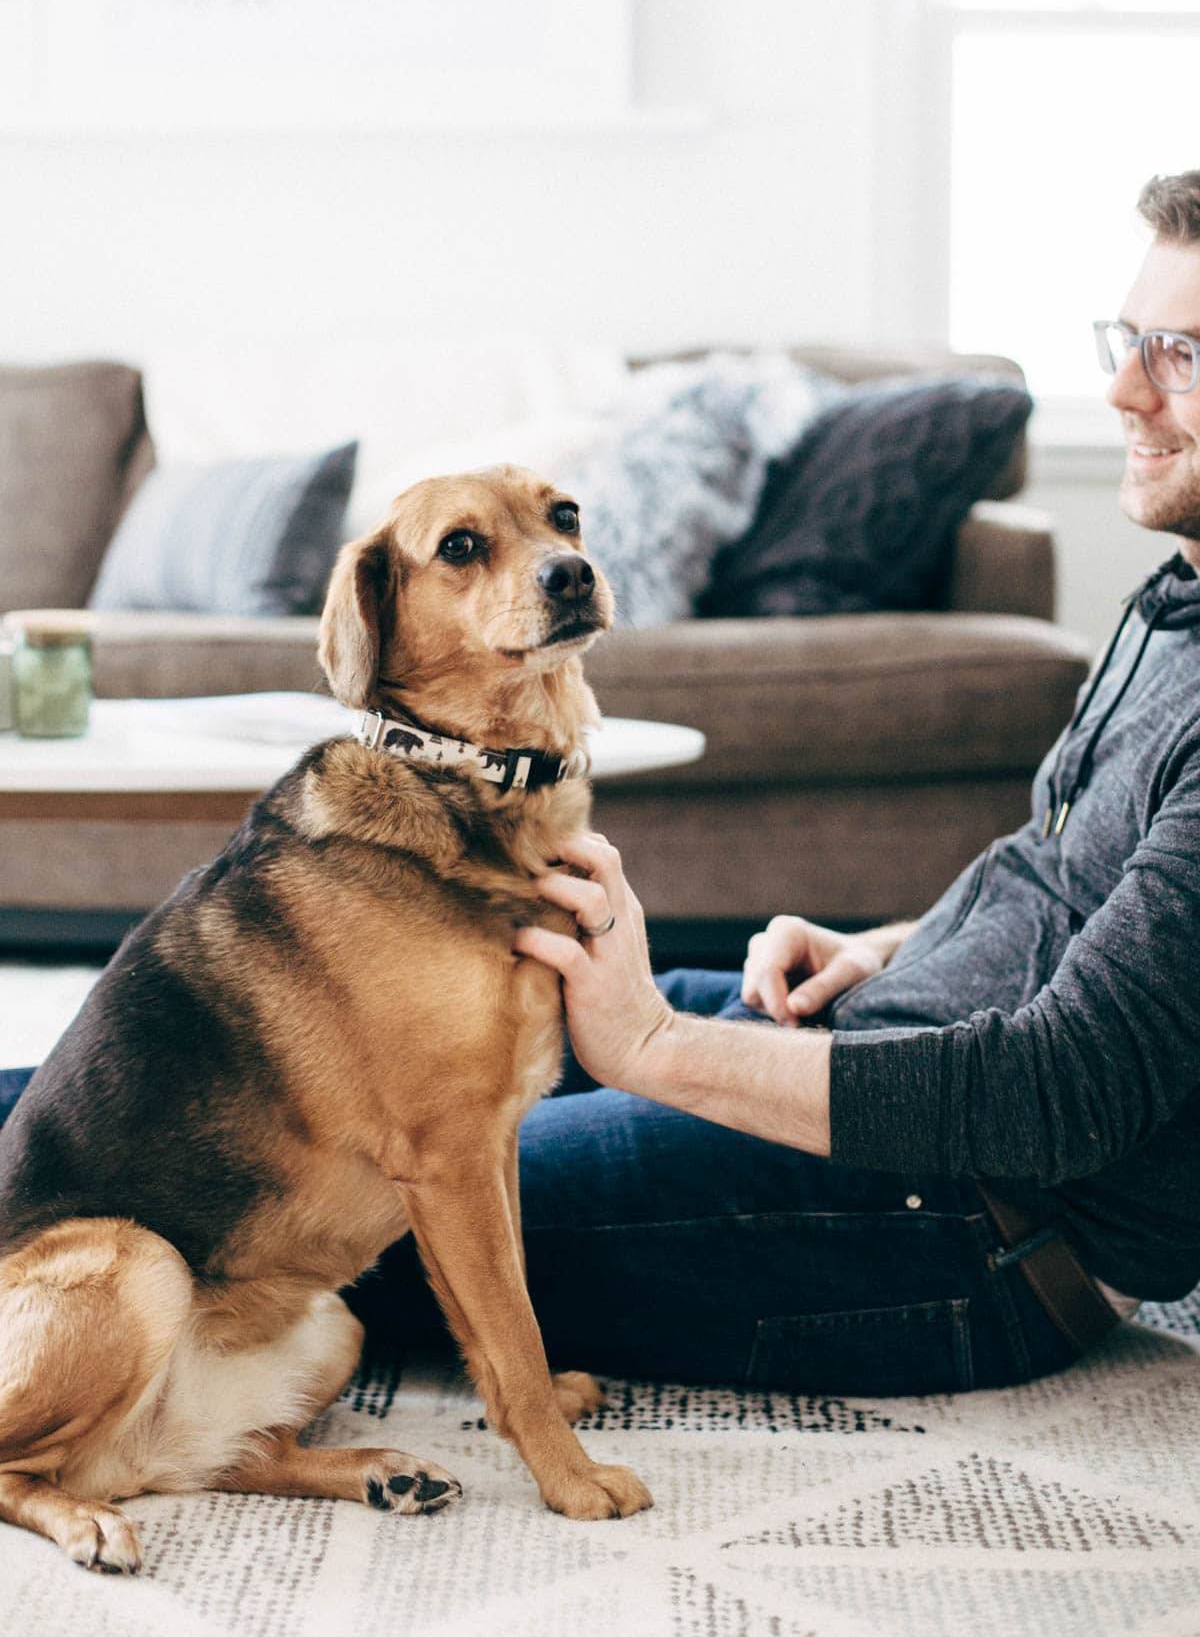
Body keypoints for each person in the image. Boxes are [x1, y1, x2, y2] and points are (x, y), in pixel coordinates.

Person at [6, 172, 1200, 1397]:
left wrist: (654, 1046)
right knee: (101, 1093)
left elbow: (1054, 1102)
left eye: (1181, 354)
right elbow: (1077, 892)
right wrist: (898, 945)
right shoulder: (1177, 604)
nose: (1121, 389)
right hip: (871, 1052)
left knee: (392, 1180)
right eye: (1130, 342)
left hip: (971, 1223)